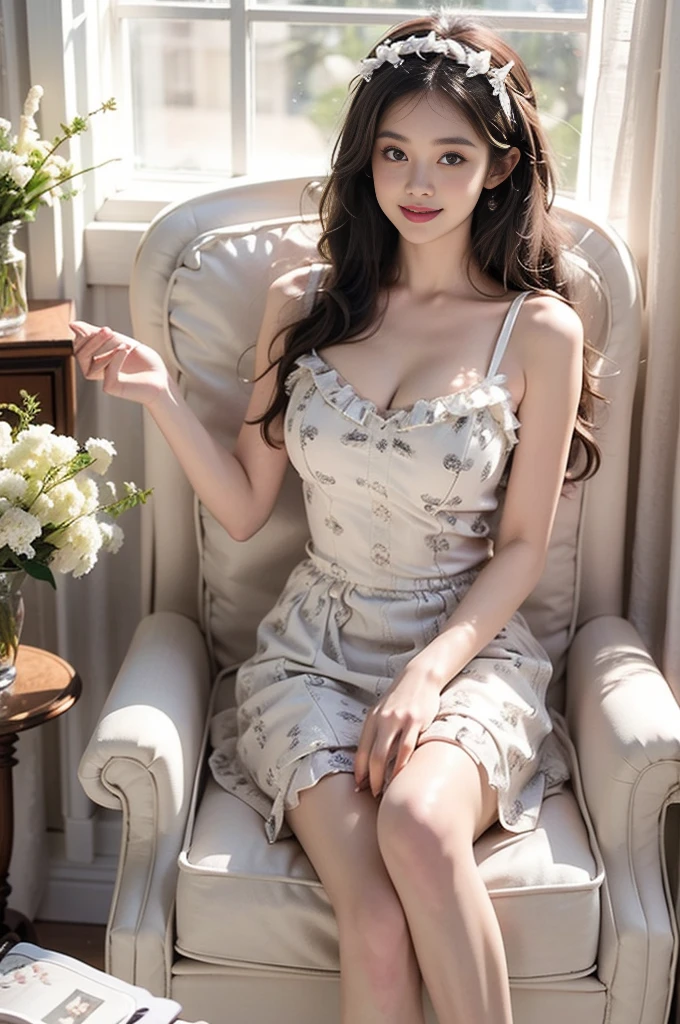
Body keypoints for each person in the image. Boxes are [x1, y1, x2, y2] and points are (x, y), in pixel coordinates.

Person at [71, 11, 602, 1024]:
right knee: (369, 916)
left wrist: (421, 677)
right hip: (309, 656)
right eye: (394, 152)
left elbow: (524, 547)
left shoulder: (537, 329)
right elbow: (240, 509)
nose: (417, 182)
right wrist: (157, 394)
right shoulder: (302, 302)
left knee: (415, 823)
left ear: (496, 169)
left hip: (461, 652)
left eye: (451, 157)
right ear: (363, 160)